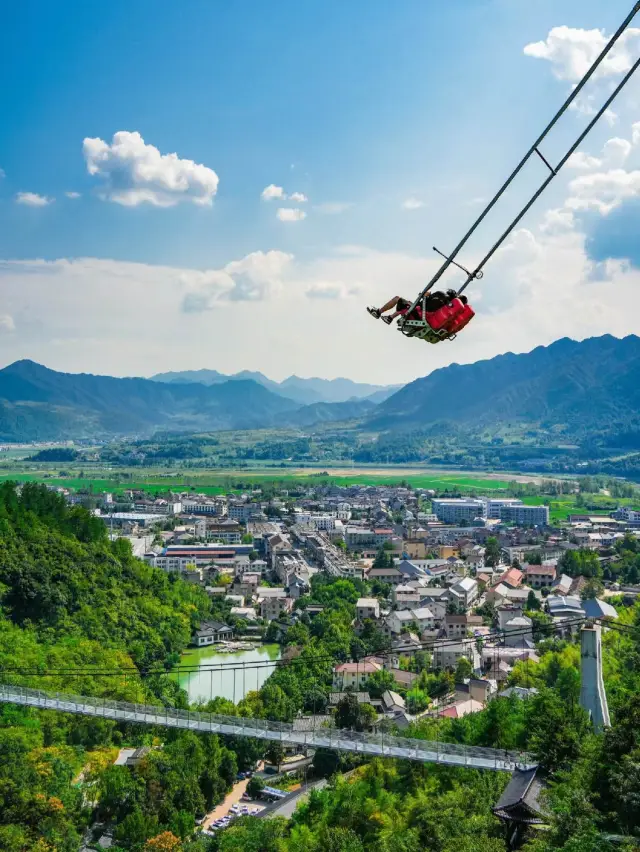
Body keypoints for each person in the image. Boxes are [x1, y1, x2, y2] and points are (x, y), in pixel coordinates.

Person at [367, 289, 461, 325]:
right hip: (422, 313)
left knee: (397, 299)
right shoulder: (445, 306)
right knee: (408, 304)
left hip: (418, 313)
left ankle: (379, 312)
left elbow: (426, 295)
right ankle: (390, 317)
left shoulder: (441, 295)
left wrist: (424, 294)